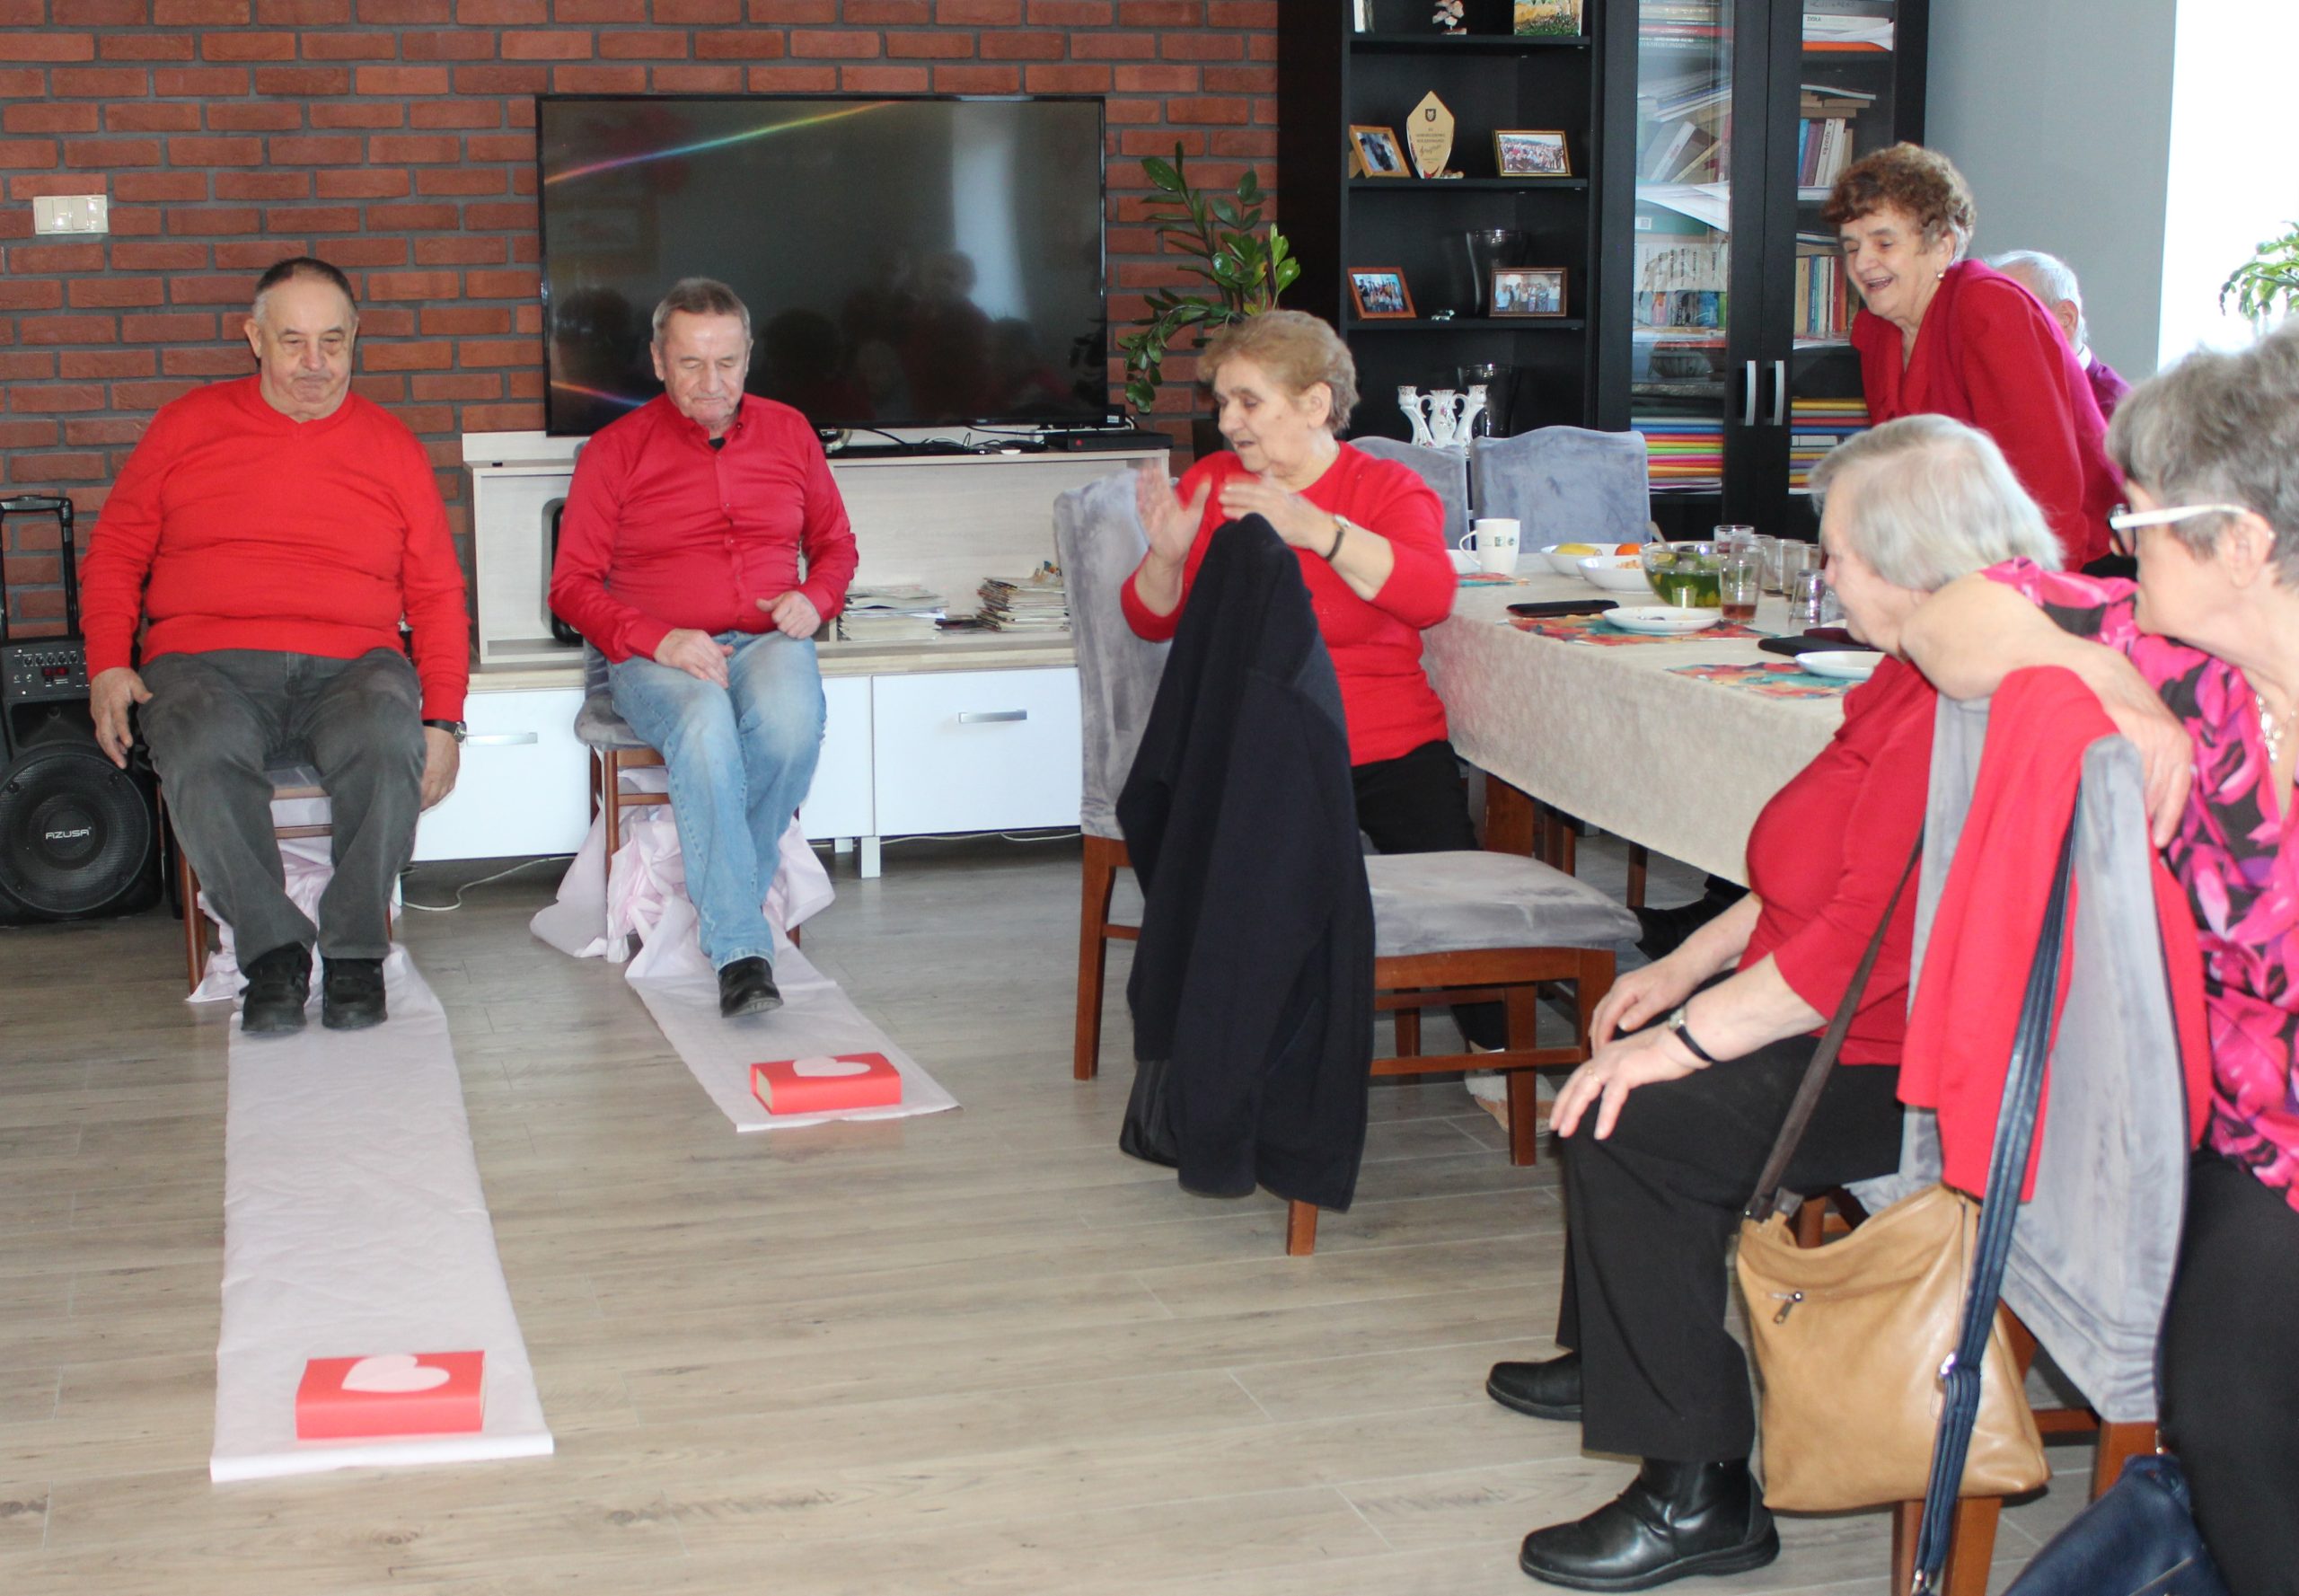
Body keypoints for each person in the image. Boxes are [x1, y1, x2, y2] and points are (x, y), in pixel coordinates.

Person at [1498, 415, 2065, 1592]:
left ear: (1912, 560)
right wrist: (1685, 969)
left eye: (1840, 552)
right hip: (1848, 1017)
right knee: (1628, 1057)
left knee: (1631, 1120)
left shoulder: (1966, 710)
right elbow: (1809, 879)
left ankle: (1696, 1486)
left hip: (1909, 1064)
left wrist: (1681, 1044)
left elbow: (1862, 942)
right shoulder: (1910, 681)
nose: (1825, 574)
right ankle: (1625, 1356)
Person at [1899, 325, 2299, 1596]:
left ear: (2241, 542)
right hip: (2259, 1143)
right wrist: (2096, 675)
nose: (2118, 540)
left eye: (2143, 518)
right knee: (2224, 1416)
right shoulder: (2192, 672)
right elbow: (1955, 618)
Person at [80, 257, 469, 1036]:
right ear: (253, 338)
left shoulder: (391, 446)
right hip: (206, 663)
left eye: (334, 340)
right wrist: (108, 664)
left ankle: (356, 952)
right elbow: (118, 548)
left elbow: (436, 592)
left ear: (357, 338)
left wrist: (445, 719)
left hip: (354, 665)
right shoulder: (187, 425)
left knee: (385, 732)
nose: (316, 365)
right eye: (293, 342)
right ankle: (273, 955)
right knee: (197, 740)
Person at [1123, 309, 1496, 1045]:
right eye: (1223, 402)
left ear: (1316, 404)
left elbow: (1428, 596)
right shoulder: (1213, 483)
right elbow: (1149, 619)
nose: (1229, 421)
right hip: (1257, 745)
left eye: (1248, 401)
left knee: (1463, 900)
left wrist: (1314, 530)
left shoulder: (1387, 489)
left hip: (1385, 741)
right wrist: (1166, 555)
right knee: (1249, 908)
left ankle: (1496, 1045)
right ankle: (1249, 1055)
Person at [551, 278, 858, 1019]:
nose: (712, 383)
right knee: (703, 724)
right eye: (691, 363)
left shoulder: (791, 432)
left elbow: (836, 547)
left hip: (765, 640)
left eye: (727, 362)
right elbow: (570, 586)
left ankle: (726, 895)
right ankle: (741, 949)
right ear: (659, 360)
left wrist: (812, 600)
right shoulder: (613, 451)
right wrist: (660, 636)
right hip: (654, 653)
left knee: (790, 726)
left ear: (749, 357)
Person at [1825, 144, 2119, 569]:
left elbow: (2046, 489)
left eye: (1884, 243)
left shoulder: (1989, 309)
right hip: (1962, 566)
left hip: (2065, 565)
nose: (1863, 263)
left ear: (1943, 246)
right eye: (1851, 248)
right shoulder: (1881, 332)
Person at [1990, 248, 2135, 420]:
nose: (1996, 332)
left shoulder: (2119, 414)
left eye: (2014, 314)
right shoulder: (1998, 394)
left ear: (2065, 319)